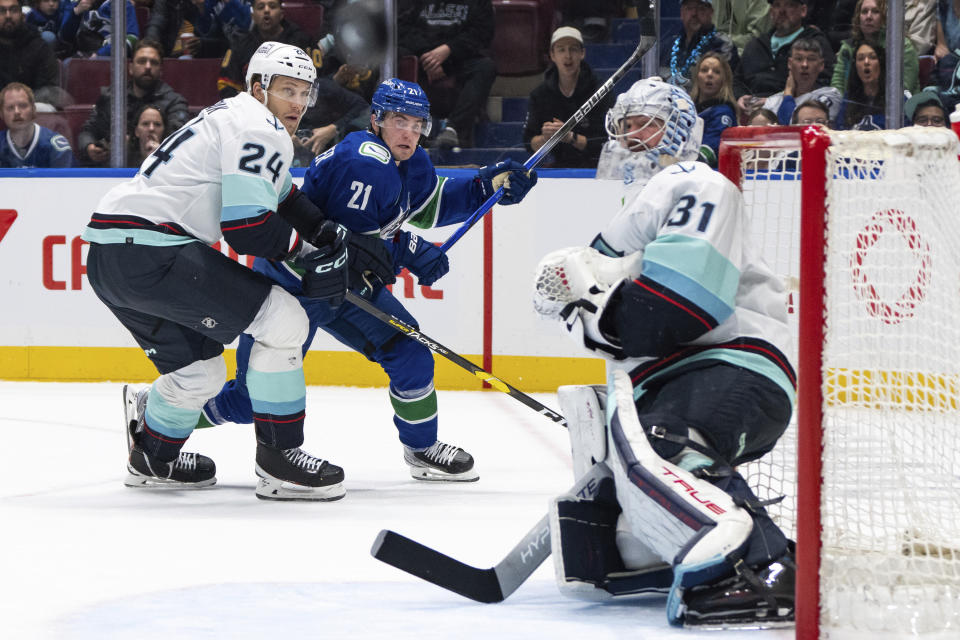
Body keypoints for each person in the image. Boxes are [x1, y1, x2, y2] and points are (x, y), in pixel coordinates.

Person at [531, 76, 796, 629]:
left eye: (644, 122)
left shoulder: (695, 181)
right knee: (634, 532)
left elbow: (680, 305)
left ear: (677, 125)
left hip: (733, 363)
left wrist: (591, 297)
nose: (631, 135)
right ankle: (676, 548)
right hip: (675, 373)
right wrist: (579, 302)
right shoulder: (633, 211)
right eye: (624, 124)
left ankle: (762, 566)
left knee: (660, 444)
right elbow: (620, 331)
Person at [81, 42, 394, 501]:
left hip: (109, 259)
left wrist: (325, 232)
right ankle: (280, 460)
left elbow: (285, 197)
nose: (298, 103)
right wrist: (309, 255)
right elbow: (247, 227)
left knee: (199, 376)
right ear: (257, 87)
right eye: (287, 89)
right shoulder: (260, 125)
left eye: (306, 92)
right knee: (285, 320)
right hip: (155, 251)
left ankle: (151, 456)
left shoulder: (232, 116)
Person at [200, 78, 539, 484]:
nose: (409, 133)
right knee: (250, 398)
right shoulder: (364, 161)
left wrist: (485, 185)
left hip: (343, 288)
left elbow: (429, 207)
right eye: (400, 121)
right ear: (376, 120)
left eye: (418, 124)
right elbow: (349, 245)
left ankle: (421, 448)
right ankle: (160, 417)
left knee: (410, 353)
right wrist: (410, 249)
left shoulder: (410, 163)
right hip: (293, 283)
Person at [397, 0, 497, 149]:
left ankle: (454, 129)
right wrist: (429, 56)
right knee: (397, 57)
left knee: (486, 67)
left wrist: (448, 50)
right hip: (423, 59)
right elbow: (401, 28)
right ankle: (410, 128)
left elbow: (482, 33)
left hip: (461, 57)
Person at [78, 38, 189, 167]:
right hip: (112, 172)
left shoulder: (174, 102)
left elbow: (177, 141)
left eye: (153, 63)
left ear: (161, 70)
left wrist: (132, 144)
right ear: (130, 68)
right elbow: (88, 131)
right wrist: (89, 148)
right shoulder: (111, 98)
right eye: (142, 61)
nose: (147, 67)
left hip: (158, 169)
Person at [522, 26, 613, 169]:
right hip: (559, 166)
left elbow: (608, 142)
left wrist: (570, 137)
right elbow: (529, 142)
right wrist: (546, 138)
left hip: (596, 168)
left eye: (573, 49)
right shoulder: (540, 95)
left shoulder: (600, 91)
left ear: (582, 53)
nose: (568, 56)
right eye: (561, 49)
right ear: (552, 55)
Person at [735, 0, 834, 112]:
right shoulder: (755, 45)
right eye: (777, 5)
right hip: (752, 111)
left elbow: (824, 82)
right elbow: (737, 81)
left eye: (789, 5)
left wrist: (773, 101)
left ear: (803, 10)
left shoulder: (816, 42)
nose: (782, 11)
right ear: (771, 12)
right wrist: (740, 96)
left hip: (797, 110)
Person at [218, 0, 314, 98]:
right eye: (260, 7)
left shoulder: (301, 42)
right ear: (253, 15)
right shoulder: (240, 45)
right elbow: (227, 86)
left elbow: (315, 83)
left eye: (272, 6)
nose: (266, 10)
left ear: (281, 14)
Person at [831, 0, 920, 94]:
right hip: (856, 106)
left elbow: (902, 89)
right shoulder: (848, 48)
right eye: (864, 12)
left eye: (875, 11)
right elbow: (837, 88)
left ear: (884, 18)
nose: (868, 16)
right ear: (858, 18)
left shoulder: (901, 46)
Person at [658, 0, 739, 91]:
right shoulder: (667, 45)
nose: (694, 13)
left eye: (701, 8)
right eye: (689, 8)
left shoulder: (722, 45)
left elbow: (721, 87)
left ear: (711, 13)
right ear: (682, 13)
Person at [292, 74, 369, 166]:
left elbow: (362, 107)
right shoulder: (277, 93)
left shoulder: (323, 87)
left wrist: (334, 128)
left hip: (330, 154)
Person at [763, 38, 841, 124]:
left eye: (811, 59)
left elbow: (792, 126)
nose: (805, 65)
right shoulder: (772, 101)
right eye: (799, 59)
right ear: (790, 63)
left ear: (821, 65)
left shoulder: (830, 95)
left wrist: (788, 94)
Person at [0, 0, 61, 107]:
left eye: (14, 10)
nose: (8, 16)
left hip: (31, 107)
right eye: (1, 11)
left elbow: (48, 88)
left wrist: (19, 103)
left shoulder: (39, 46)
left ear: (23, 16)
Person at [0, 81, 73, 167]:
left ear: (34, 110)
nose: (17, 112)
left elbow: (68, 179)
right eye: (10, 107)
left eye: (23, 106)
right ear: (1, 114)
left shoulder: (55, 146)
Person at [146, 0, 252, 59]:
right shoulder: (170, 3)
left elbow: (223, 42)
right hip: (172, 56)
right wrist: (151, 45)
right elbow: (157, 22)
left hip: (243, 53)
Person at [836, 39, 904, 129]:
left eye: (872, 57)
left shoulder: (897, 99)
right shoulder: (848, 99)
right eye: (860, 58)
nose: (866, 62)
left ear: (882, 63)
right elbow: (840, 131)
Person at [689, 51, 738, 166]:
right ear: (697, 76)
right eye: (704, 70)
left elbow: (709, 153)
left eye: (716, 72)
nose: (709, 74)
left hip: (710, 177)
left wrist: (677, 163)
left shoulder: (723, 113)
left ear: (724, 80)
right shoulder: (688, 110)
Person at [59, 0, 140, 58]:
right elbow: (65, 37)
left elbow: (132, 38)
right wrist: (76, 12)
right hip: (80, 54)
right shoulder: (75, 4)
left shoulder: (123, 4)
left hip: (109, 57)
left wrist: (100, 54)